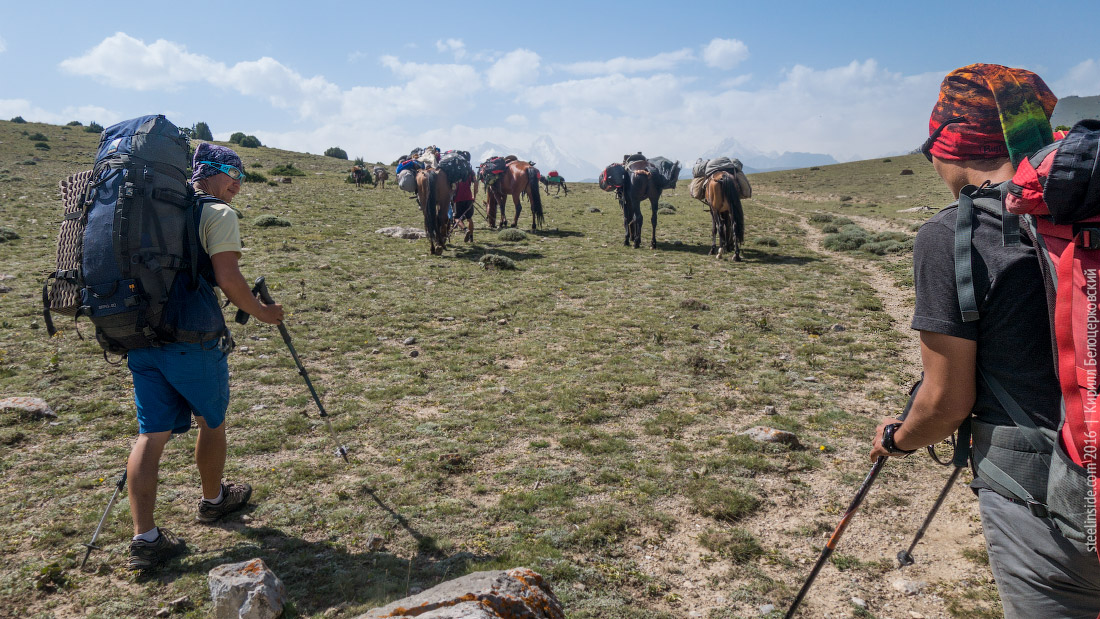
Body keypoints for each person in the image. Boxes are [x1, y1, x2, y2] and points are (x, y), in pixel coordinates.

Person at [869, 64, 1100, 617]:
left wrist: (898, 438)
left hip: (1048, 501)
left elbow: (947, 404)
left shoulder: (950, 233)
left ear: (950, 147)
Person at [125, 142, 284, 571]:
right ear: (211, 173)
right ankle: (214, 501)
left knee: (150, 435)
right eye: (235, 177)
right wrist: (264, 313)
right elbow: (228, 279)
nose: (238, 187)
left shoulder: (153, 209)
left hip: (139, 334)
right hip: (192, 337)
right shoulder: (217, 214)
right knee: (211, 421)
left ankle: (146, 538)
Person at [452, 164, 477, 243]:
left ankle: (465, 229)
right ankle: (471, 238)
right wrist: (474, 196)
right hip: (468, 197)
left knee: (456, 218)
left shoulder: (453, 172)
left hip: (457, 198)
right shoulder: (470, 171)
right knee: (469, 219)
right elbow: (476, 183)